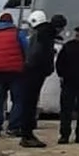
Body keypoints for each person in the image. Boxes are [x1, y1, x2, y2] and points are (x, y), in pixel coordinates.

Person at [18, 10, 67, 148]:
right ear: (59, 27)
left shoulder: (39, 32)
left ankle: (26, 133)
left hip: (30, 72)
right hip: (34, 73)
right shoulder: (45, 35)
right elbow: (38, 54)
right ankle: (27, 136)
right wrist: (45, 67)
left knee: (29, 103)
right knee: (30, 103)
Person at [0, 11, 30, 137]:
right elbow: (26, 49)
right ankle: (13, 127)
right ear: (11, 22)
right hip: (15, 72)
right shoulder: (18, 33)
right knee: (17, 100)